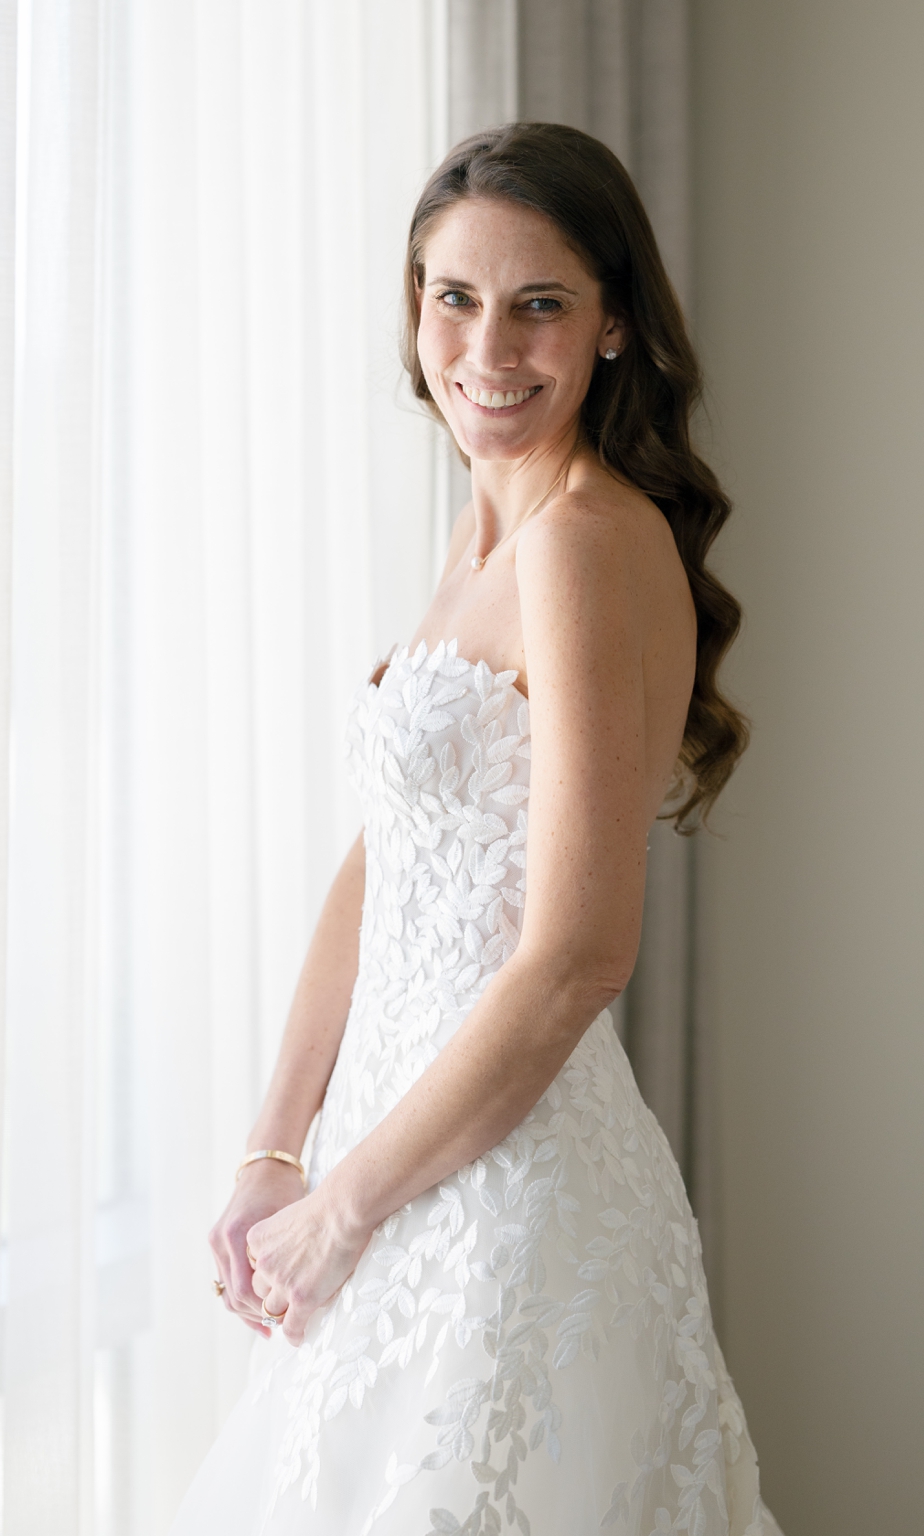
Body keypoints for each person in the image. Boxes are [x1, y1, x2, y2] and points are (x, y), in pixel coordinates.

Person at [171, 121, 783, 1536]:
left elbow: (578, 956)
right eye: (455, 297)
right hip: (397, 1157)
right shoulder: (483, 534)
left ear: (614, 323)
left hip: (504, 1191)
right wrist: (275, 1152)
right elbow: (383, 856)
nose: (488, 347)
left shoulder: (581, 543)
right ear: (415, 307)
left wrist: (347, 1206)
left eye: (540, 304)